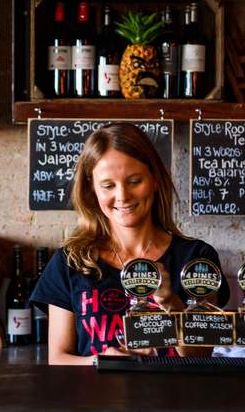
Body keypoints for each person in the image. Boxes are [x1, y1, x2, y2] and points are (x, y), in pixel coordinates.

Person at [30, 122, 230, 365]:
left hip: (173, 400)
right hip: (96, 399)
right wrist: (100, 360)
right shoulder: (71, 261)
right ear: (92, 190)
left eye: (134, 181)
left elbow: (201, 356)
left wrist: (171, 303)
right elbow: (58, 359)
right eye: (108, 185)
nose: (123, 196)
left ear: (155, 180)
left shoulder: (197, 258)